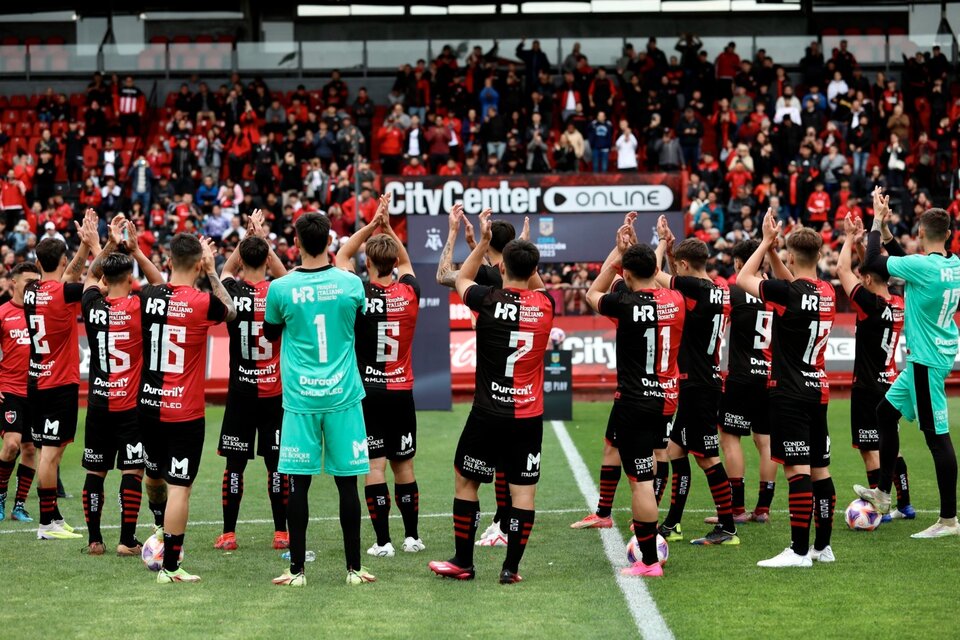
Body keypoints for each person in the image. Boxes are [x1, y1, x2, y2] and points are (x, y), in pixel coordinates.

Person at [428, 210, 554, 584]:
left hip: (487, 412)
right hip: (528, 416)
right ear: (533, 269)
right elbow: (538, 284)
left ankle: (463, 562)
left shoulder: (486, 299)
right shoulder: (547, 306)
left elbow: (460, 276)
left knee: (466, 480)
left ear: (500, 268)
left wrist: (481, 241)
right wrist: (524, 250)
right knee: (523, 493)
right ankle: (511, 568)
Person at [265, 213, 375, 588]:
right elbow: (360, 332)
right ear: (329, 241)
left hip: (300, 399)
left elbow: (269, 332)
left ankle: (297, 571)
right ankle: (354, 570)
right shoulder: (351, 284)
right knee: (348, 485)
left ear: (296, 241)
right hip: (344, 395)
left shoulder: (280, 288)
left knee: (298, 485)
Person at [570, 213, 683, 534]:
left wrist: (617, 254)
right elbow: (654, 273)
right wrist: (653, 247)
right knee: (616, 446)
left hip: (635, 398)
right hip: (667, 395)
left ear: (628, 274)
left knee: (642, 474)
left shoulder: (625, 303)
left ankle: (645, 526)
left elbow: (593, 292)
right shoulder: (676, 300)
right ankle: (605, 513)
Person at [855, 191, 960, 538]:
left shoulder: (921, 266)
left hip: (926, 361)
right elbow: (909, 263)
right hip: (931, 355)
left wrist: (875, 222)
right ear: (947, 235)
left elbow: (873, 261)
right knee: (885, 413)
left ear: (919, 233)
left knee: (937, 438)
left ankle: (948, 520)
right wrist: (886, 234)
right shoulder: (952, 263)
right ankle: (883, 494)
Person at [738, 209, 837, 567]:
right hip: (818, 390)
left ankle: (797, 552)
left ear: (794, 257)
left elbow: (743, 276)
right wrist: (778, 254)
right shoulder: (827, 292)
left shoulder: (788, 292)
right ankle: (822, 547)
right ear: (819, 255)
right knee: (820, 470)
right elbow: (794, 283)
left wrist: (766, 242)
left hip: (789, 392)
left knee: (797, 471)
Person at [140, 233, 236, 583]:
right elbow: (232, 311)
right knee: (180, 487)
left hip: (148, 405)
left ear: (168, 261)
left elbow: (158, 285)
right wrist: (212, 272)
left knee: (155, 475)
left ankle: (156, 523)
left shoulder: (148, 296)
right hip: (184, 412)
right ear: (199, 263)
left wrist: (137, 251)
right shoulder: (202, 303)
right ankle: (171, 567)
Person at [335, 195, 424, 557]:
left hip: (367, 391)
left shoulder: (356, 290)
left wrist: (372, 225)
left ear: (368, 262)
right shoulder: (410, 291)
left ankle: (383, 541)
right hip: (401, 389)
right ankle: (412, 537)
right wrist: (387, 230)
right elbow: (403, 260)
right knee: (404, 464)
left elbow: (341, 256)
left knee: (375, 465)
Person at [435, 207, 528, 547]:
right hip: (523, 382)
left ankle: (502, 525)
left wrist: (454, 232)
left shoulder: (487, 282)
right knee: (510, 461)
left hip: (494, 382)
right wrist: (481, 242)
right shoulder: (517, 277)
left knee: (478, 468)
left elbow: (446, 273)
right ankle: (505, 522)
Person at [79, 216, 165, 555]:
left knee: (95, 470)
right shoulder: (139, 306)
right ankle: (127, 540)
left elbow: (88, 277)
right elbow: (165, 286)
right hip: (130, 405)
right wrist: (135, 250)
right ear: (129, 278)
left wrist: (107, 245)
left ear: (104, 278)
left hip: (99, 403)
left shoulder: (92, 305)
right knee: (132, 469)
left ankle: (95, 540)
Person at [653, 217, 738, 546]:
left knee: (707, 457)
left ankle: (728, 527)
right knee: (675, 450)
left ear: (685, 265)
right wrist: (673, 249)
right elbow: (678, 277)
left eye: (680, 266)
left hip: (698, 383)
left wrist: (661, 245)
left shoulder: (691, 287)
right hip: (707, 378)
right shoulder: (719, 289)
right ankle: (673, 523)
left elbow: (654, 276)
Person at [213, 211, 289, 552]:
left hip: (241, 390)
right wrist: (262, 240)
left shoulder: (232, 290)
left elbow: (225, 270)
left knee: (234, 465)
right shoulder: (278, 290)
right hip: (272, 391)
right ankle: (281, 533)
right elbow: (287, 276)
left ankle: (229, 533)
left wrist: (245, 242)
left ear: (243, 258)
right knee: (277, 465)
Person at [26, 210, 101, 540]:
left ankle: (52, 518)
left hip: (36, 379)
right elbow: (92, 279)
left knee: (46, 451)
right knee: (51, 454)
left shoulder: (32, 290)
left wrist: (82, 247)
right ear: (63, 258)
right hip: (58, 382)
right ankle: (46, 524)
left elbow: (64, 277)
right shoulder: (65, 292)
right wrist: (98, 245)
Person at [835, 211, 914, 523]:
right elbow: (869, 273)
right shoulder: (895, 302)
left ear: (866, 280)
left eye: (862, 275)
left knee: (869, 448)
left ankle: (879, 506)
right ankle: (905, 503)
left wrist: (846, 238)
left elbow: (841, 270)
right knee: (891, 444)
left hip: (867, 386)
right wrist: (860, 245)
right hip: (890, 382)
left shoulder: (868, 305)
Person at [708, 240, 777, 526]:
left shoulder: (734, 291)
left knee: (730, 438)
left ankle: (736, 508)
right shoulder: (777, 291)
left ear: (739, 263)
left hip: (741, 376)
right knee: (765, 441)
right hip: (771, 376)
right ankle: (763, 509)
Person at [0, 263, 42, 524]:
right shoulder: (3, 313)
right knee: (12, 445)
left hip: (37, 392)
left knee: (29, 449)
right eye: (28, 282)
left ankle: (19, 506)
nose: (33, 287)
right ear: (13, 282)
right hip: (11, 390)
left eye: (36, 282)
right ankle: (1, 497)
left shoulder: (41, 313)